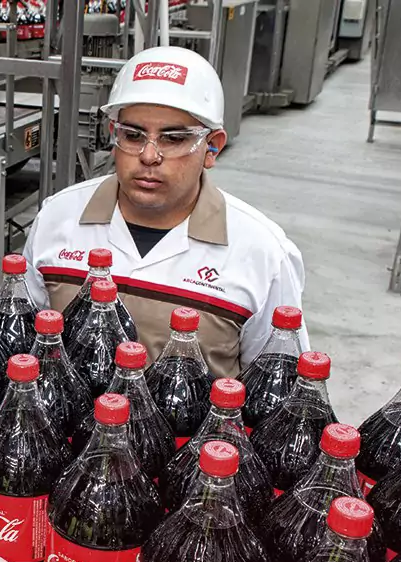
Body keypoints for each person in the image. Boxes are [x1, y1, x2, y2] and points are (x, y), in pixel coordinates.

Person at [21, 45, 309, 379]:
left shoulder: (262, 251)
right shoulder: (58, 218)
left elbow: (277, 386)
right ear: (113, 135)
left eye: (173, 139)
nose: (148, 156)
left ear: (212, 147)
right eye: (133, 135)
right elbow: (27, 344)